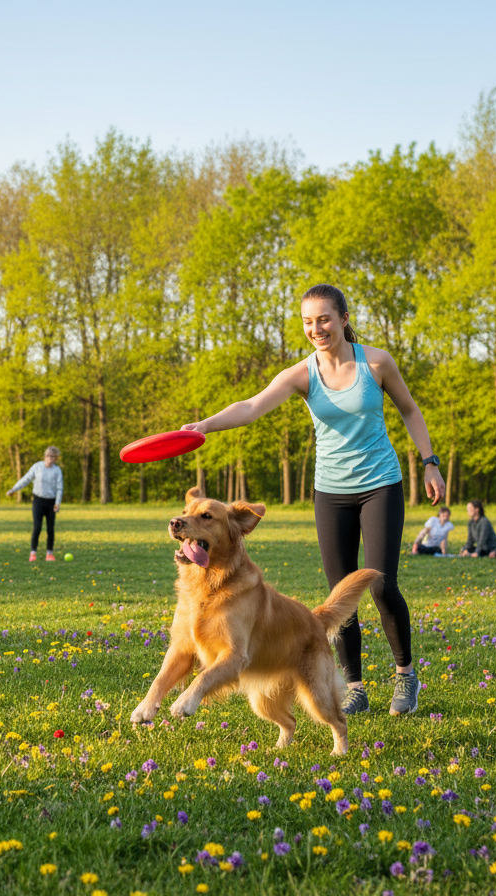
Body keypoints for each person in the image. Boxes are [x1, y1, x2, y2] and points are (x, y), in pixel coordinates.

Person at [181, 284, 445, 717]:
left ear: (343, 318)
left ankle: (405, 674)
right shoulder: (302, 374)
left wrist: (429, 462)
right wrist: (204, 426)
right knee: (341, 595)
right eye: (307, 321)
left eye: (324, 318)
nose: (316, 328)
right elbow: (251, 406)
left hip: (380, 484)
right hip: (331, 493)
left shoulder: (376, 362)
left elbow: (409, 410)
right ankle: (355, 686)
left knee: (380, 585)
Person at [6, 446, 64, 562]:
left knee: (50, 528)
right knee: (37, 527)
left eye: (53, 457)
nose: (50, 459)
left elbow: (59, 488)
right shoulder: (37, 467)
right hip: (38, 501)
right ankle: (33, 553)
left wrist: (57, 503)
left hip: (51, 502)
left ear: (56, 458)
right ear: (45, 456)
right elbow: (26, 479)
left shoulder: (57, 471)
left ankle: (49, 553)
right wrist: (14, 489)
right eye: (48, 456)